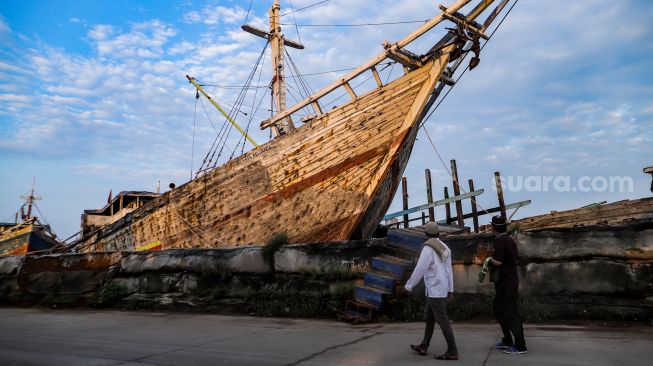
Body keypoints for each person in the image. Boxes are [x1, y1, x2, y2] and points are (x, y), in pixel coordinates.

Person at [405, 221, 458, 361]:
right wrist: (450, 289)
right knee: (429, 317)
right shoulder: (445, 247)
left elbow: (420, 269)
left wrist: (409, 285)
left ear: (426, 234)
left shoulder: (428, 249)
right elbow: (449, 271)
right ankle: (424, 345)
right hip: (439, 289)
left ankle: (453, 350)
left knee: (443, 320)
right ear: (438, 233)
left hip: (435, 290)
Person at [489, 215, 527, 355]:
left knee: (511, 314)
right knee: (499, 310)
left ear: (493, 227)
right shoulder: (510, 240)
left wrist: (488, 259)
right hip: (507, 282)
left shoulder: (499, 241)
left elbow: (498, 262)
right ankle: (507, 340)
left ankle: (520, 346)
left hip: (506, 284)